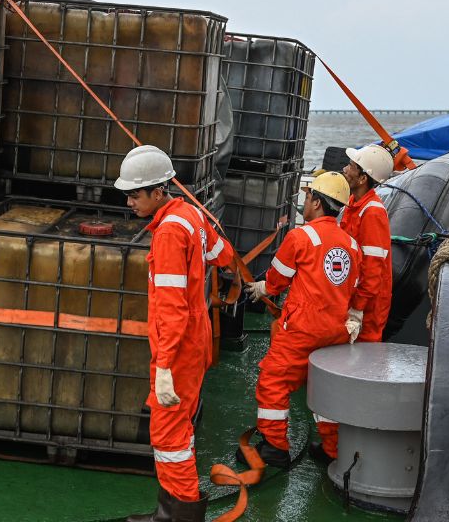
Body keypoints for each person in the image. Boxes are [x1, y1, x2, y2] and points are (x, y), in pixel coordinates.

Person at [116, 145, 234, 522]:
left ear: (158, 191)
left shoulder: (168, 233)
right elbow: (225, 255)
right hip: (193, 341)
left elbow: (171, 307)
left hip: (178, 349)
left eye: (136, 194)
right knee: (177, 428)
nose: (130, 201)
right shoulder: (189, 216)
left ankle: (179, 514)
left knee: (169, 436)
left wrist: (164, 365)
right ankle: (171, 510)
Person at [245, 172, 363, 468]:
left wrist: (262, 288)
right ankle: (332, 450)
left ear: (319, 203)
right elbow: (353, 286)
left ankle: (274, 446)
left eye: (309, 197)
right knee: (326, 389)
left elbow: (277, 280)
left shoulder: (300, 236)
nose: (305, 202)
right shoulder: (352, 245)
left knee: (274, 382)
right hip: (336, 331)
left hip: (301, 330)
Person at [339, 144, 394, 343]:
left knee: (363, 354)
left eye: (351, 166)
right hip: (353, 297)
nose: (345, 169)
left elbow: (372, 270)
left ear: (363, 178)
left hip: (368, 306)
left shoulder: (372, 212)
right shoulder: (353, 205)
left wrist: (357, 309)